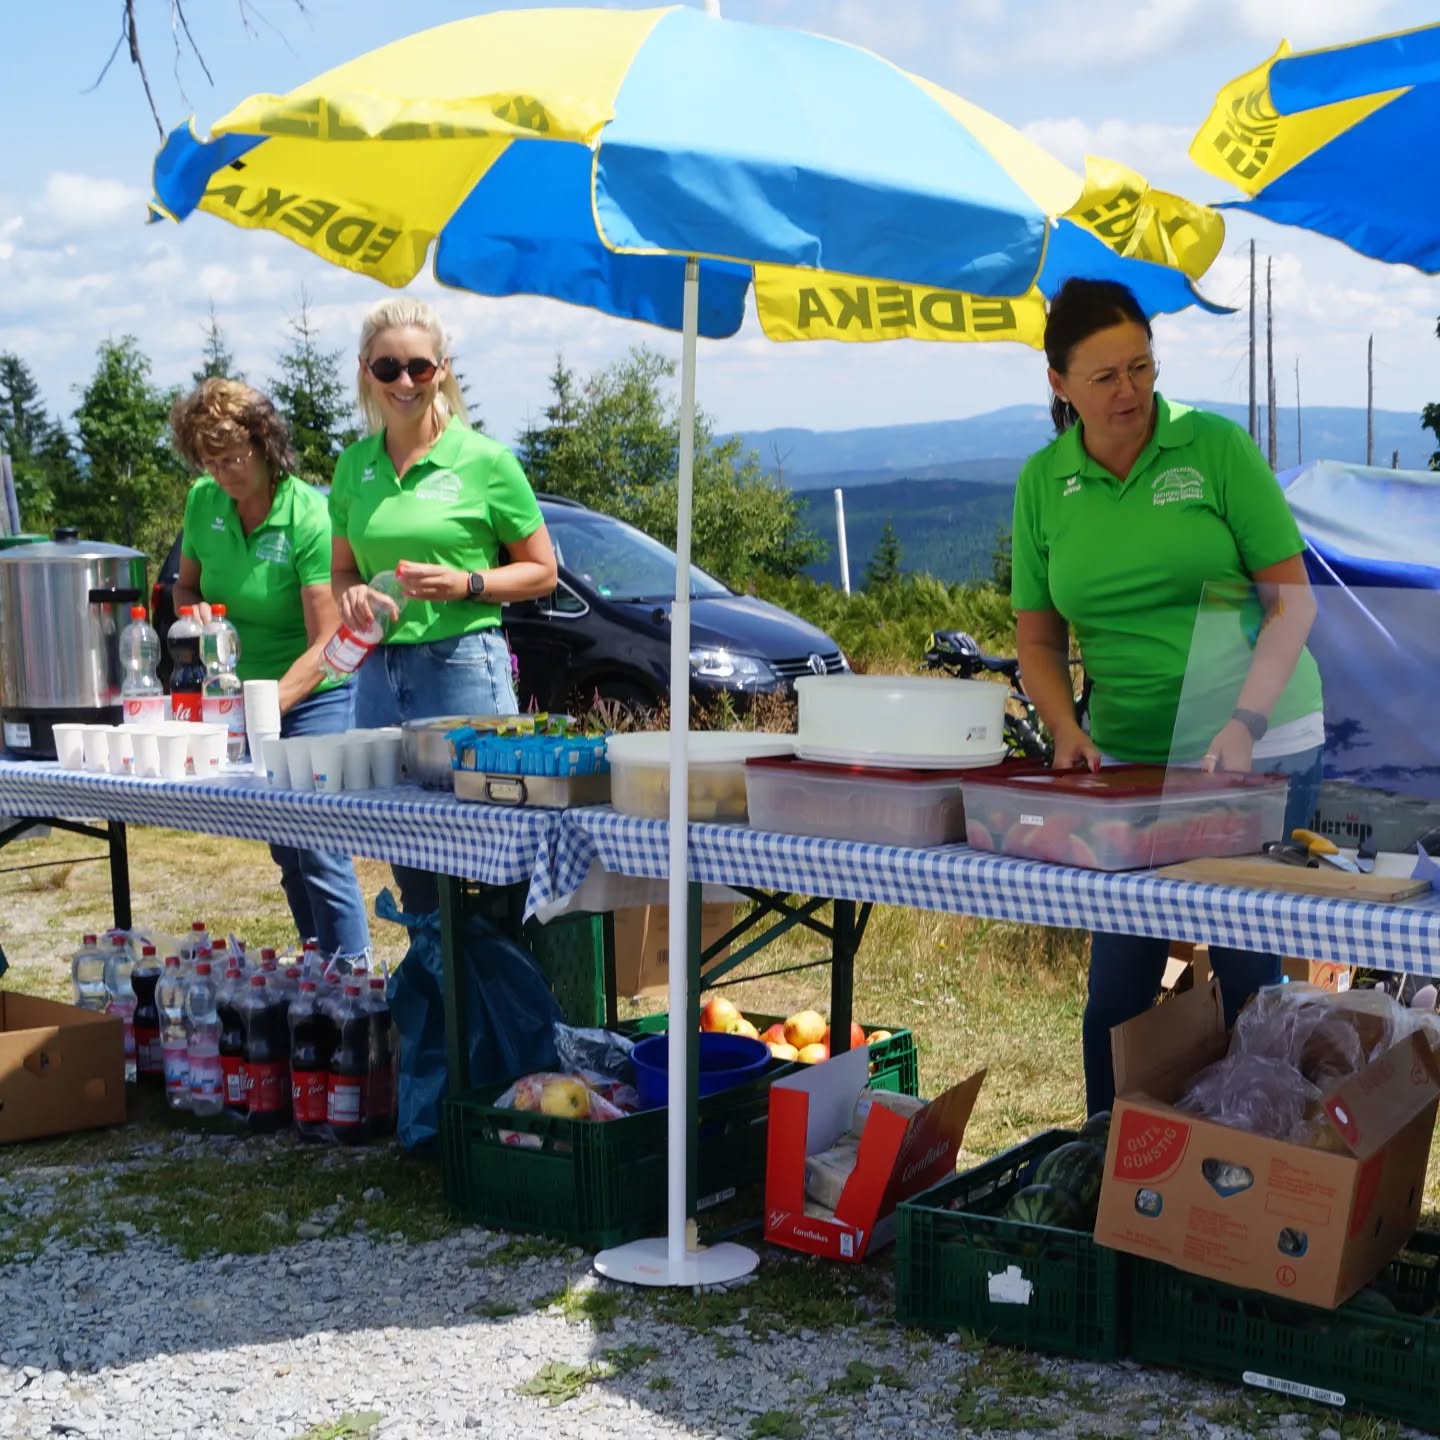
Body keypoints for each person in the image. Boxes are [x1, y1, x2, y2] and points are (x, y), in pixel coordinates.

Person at [1010, 277, 1325, 1115]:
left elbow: (1293, 604)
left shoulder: (1213, 448)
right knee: (1119, 982)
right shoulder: (1044, 483)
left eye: (1142, 368)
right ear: (1060, 385)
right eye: (1105, 376)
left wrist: (1243, 724)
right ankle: (1108, 1163)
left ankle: (1272, 1177)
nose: (1130, 392)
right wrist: (1066, 729)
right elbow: (1038, 641)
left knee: (1251, 970)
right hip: (1131, 761)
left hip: (1259, 739)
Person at [330, 297, 558, 916]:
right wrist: (348, 594)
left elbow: (543, 571)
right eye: (387, 369)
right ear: (365, 372)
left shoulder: (486, 462)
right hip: (379, 675)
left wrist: (468, 584)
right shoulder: (354, 467)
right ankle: (441, 997)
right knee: (415, 863)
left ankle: (507, 999)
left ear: (443, 369)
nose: (404, 382)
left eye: (419, 368)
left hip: (463, 670)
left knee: (497, 849)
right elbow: (341, 570)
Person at [170, 379, 370, 958]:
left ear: (265, 445)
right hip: (243, 693)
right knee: (283, 843)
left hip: (315, 690)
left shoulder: (307, 514)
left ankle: (354, 982)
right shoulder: (203, 502)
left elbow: (329, 640)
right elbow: (184, 587)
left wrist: (263, 708)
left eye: (233, 457)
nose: (223, 472)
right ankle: (317, 972)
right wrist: (194, 611)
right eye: (210, 460)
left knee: (319, 844)